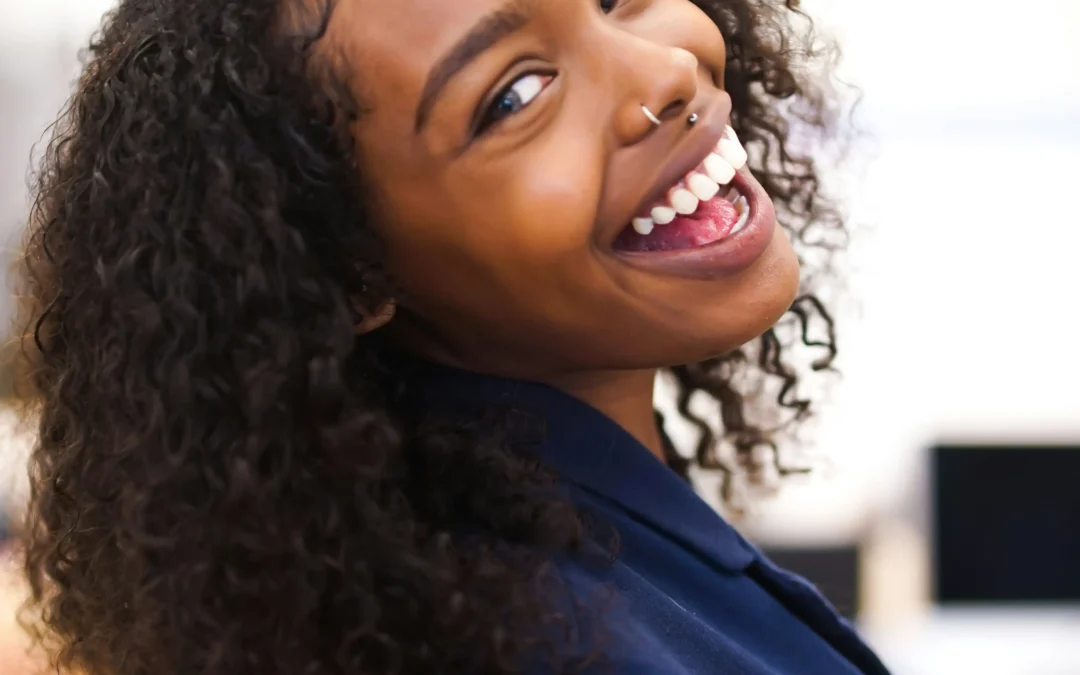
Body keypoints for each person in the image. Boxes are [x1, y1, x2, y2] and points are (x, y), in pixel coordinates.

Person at [15, 0, 888, 673]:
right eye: (515, 94)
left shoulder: (549, 544)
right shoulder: (550, 640)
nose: (661, 70)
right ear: (350, 266)